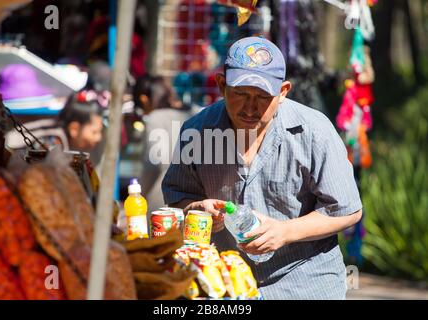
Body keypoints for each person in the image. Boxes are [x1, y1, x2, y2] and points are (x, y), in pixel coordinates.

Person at [161, 37, 363, 300]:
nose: (250, 107)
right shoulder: (196, 132)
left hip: (306, 283)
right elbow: (177, 198)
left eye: (262, 97)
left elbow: (347, 210)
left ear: (283, 92)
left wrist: (285, 232)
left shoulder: (315, 131)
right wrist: (196, 209)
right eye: (241, 94)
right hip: (227, 284)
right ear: (222, 85)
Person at [136, 75, 198, 211]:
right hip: (197, 206)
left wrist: (138, 195)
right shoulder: (197, 112)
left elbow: (153, 165)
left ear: (144, 100)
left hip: (163, 204)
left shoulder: (155, 119)